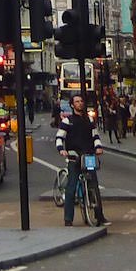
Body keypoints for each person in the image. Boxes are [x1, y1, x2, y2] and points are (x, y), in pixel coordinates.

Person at [54, 93, 104, 228]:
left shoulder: (89, 120)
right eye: (77, 101)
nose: (80, 103)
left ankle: (99, 215)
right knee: (71, 188)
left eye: (81, 101)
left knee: (94, 185)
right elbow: (59, 137)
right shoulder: (67, 121)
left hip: (88, 156)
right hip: (74, 157)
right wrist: (61, 149)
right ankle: (68, 219)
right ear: (72, 105)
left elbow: (95, 136)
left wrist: (98, 147)